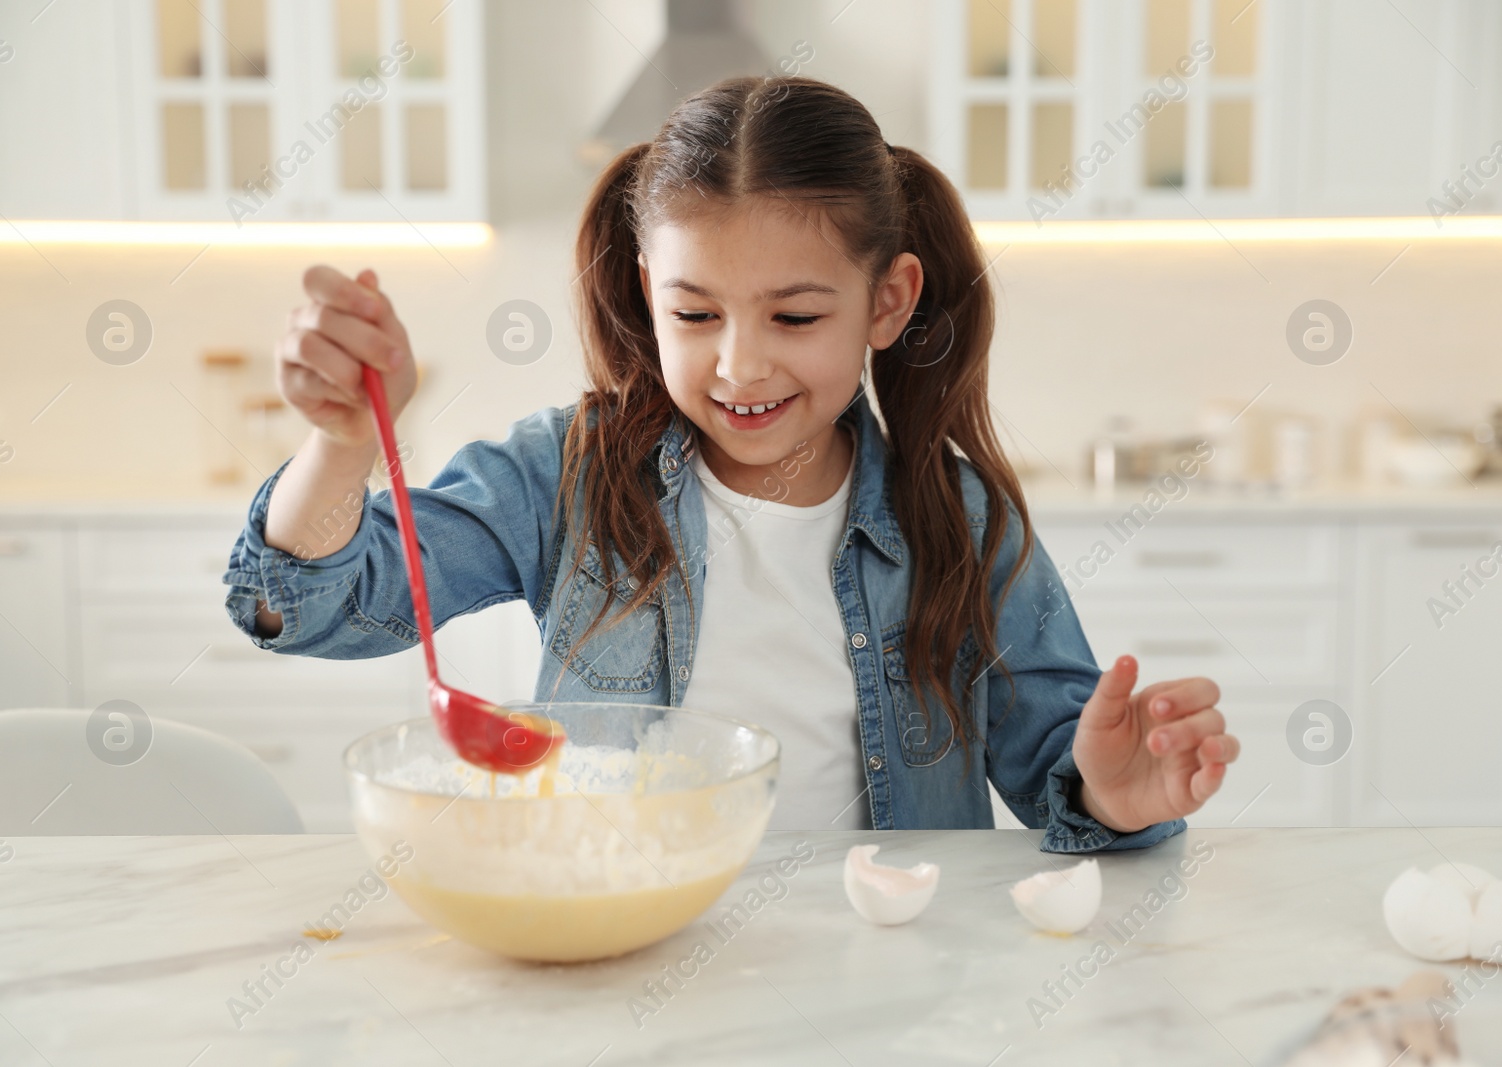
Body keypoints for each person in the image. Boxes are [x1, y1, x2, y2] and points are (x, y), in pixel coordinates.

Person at [223, 76, 1238, 849]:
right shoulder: (565, 474)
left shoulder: (957, 519)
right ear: (644, 288)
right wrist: (343, 442)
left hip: (886, 981)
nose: (739, 362)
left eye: (794, 315)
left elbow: (1058, 765)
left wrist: (1113, 788)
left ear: (887, 301)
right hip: (626, 954)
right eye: (694, 313)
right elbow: (315, 604)